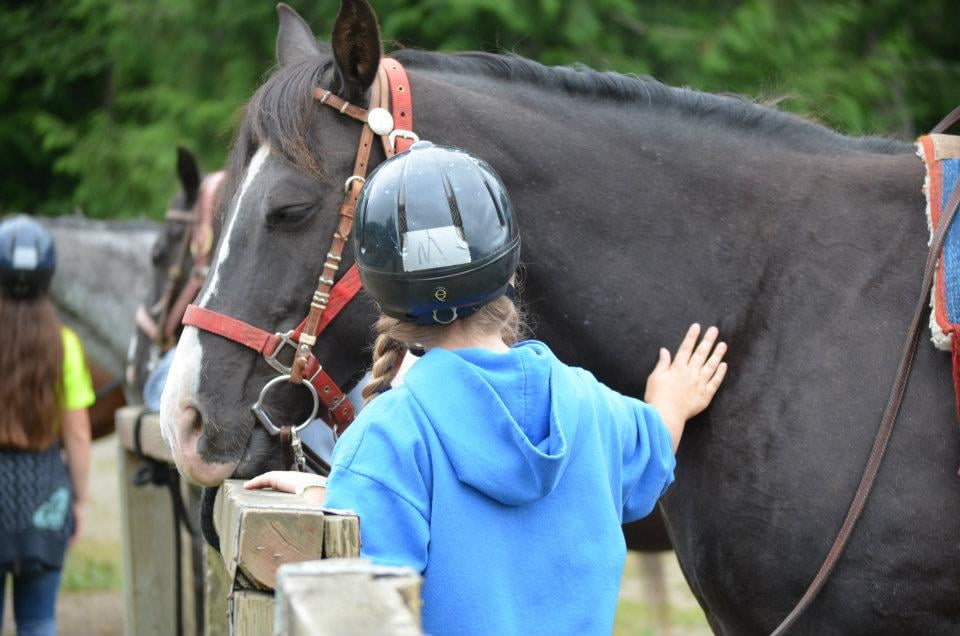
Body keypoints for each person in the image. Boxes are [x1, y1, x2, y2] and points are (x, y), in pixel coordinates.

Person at [245, 142, 727, 635]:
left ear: (380, 293)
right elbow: (649, 452)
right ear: (509, 268)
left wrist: (352, 489)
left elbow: (369, 611)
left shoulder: (386, 442)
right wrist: (673, 401)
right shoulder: (589, 405)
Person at [0, 215, 95, 636]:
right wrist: (79, 501)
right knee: (38, 620)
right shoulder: (66, 345)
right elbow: (76, 434)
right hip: (45, 499)